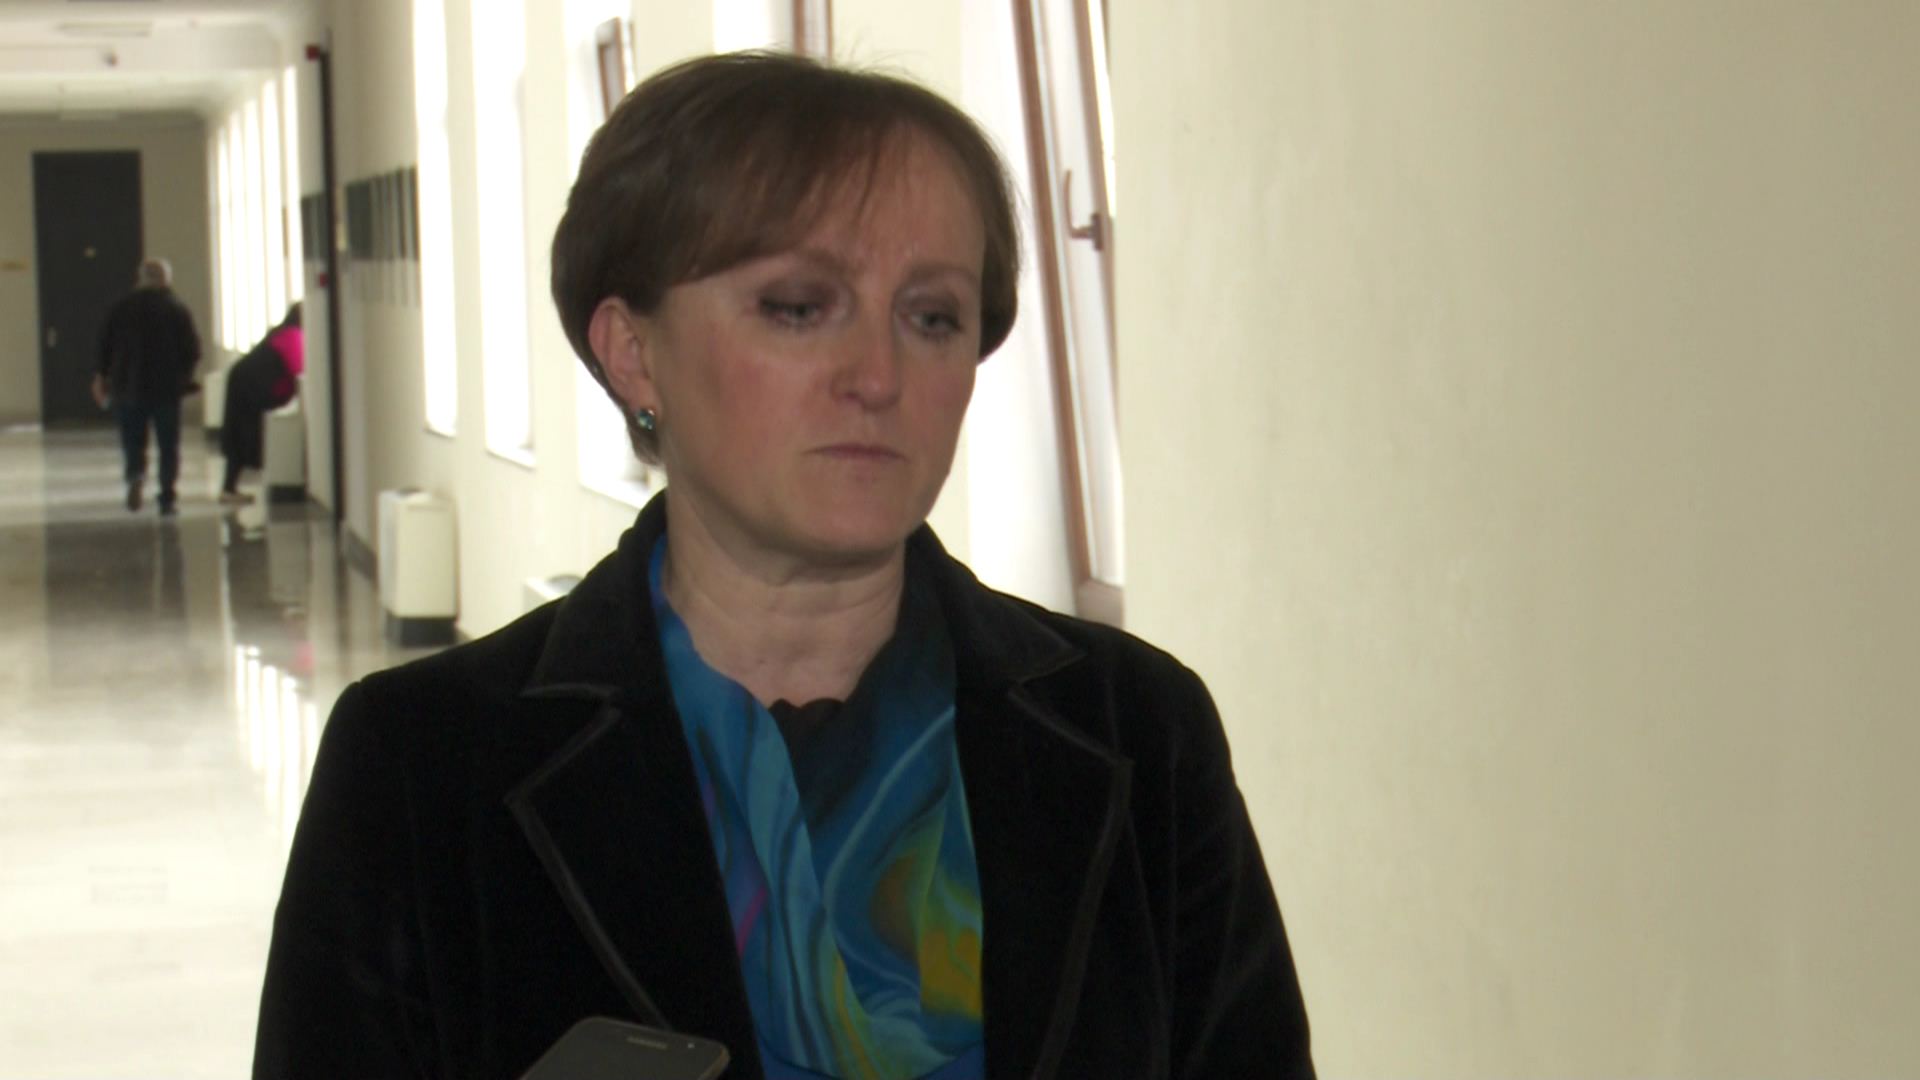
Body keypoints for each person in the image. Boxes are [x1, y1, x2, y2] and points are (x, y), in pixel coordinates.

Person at [254, 52, 1313, 1080]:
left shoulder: (1137, 732)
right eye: (799, 308)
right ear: (633, 353)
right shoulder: (424, 768)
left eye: (932, 317)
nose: (878, 375)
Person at [94, 257, 201, 515]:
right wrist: (184, 377)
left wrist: (101, 377)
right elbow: (192, 350)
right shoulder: (176, 309)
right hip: (166, 389)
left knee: (132, 440)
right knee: (168, 444)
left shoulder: (120, 308)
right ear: (165, 279)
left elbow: (103, 345)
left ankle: (135, 475)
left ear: (140, 278)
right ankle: (167, 496)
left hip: (127, 386)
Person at [219, 303, 304, 505]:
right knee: (244, 433)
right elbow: (299, 368)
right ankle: (229, 489)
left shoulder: (281, 332)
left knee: (240, 433)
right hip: (251, 386)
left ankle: (229, 488)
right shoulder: (292, 335)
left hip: (245, 381)